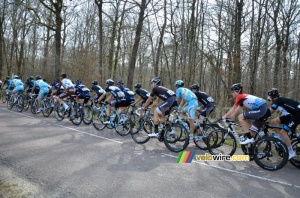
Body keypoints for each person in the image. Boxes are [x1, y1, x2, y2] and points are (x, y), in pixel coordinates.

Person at [268, 88, 299, 159]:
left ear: (272, 97)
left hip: (297, 115)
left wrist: (261, 115)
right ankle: (287, 141)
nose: (269, 100)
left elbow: (271, 112)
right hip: (295, 114)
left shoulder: (277, 100)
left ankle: (291, 152)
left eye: (269, 99)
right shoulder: (281, 99)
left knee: (283, 131)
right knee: (276, 122)